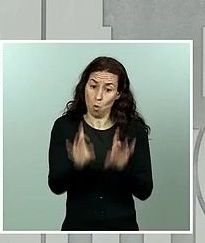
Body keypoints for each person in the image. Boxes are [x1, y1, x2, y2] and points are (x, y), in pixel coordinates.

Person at [48, 56, 153, 231]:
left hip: (122, 228)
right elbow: (56, 186)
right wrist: (77, 166)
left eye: (108, 89)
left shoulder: (133, 130)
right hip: (78, 228)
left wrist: (122, 168)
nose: (98, 96)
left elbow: (145, 191)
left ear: (118, 94)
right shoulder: (65, 126)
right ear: (84, 87)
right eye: (93, 86)